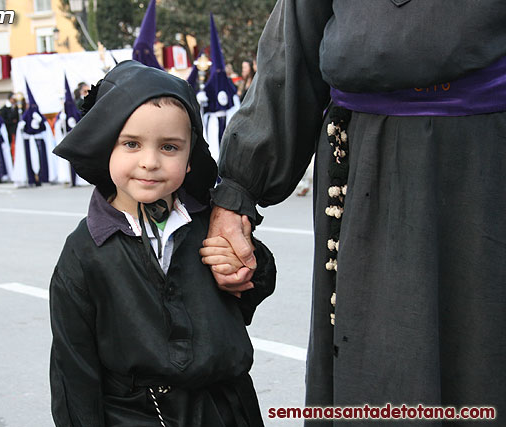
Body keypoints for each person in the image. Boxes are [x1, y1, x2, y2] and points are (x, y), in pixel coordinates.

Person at [204, 0, 506, 425]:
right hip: (363, 169)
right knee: (376, 360)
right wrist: (237, 195)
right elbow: (292, 58)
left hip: (485, 173)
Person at [50, 60, 276, 426]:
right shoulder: (84, 250)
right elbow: (73, 369)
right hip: (138, 415)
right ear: (105, 148)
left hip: (229, 409)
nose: (150, 162)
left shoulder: (210, 226)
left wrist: (250, 268)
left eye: (169, 147)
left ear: (190, 160)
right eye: (131, 144)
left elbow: (255, 287)